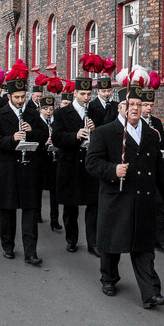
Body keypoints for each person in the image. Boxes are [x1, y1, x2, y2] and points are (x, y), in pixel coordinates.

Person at [86, 85, 164, 308]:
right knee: (112, 244)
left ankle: (151, 293)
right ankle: (109, 278)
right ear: (120, 107)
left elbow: (158, 167)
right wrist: (112, 170)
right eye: (129, 105)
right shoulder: (104, 132)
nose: (134, 108)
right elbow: (92, 163)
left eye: (138, 104)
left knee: (144, 247)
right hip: (117, 197)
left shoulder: (150, 135)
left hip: (143, 198)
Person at [0, 68, 47, 263]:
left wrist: (31, 133)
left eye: (23, 97)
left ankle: (31, 252)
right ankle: (8, 245)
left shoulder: (31, 113)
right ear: (10, 96)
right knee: (7, 210)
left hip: (28, 169)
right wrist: (12, 139)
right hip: (7, 169)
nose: (20, 101)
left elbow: (44, 134)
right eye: (17, 97)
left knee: (30, 210)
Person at [51, 76, 100, 255]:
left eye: (89, 94)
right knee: (70, 207)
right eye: (83, 94)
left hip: (89, 166)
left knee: (93, 205)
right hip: (70, 165)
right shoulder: (61, 113)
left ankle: (92, 242)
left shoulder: (94, 112)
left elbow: (103, 137)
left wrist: (95, 131)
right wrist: (75, 135)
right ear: (75, 93)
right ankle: (71, 239)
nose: (86, 97)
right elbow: (56, 138)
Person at [141, 88, 164, 253]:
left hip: (156, 170)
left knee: (160, 208)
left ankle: (161, 241)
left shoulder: (156, 122)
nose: (149, 108)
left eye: (151, 105)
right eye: (145, 105)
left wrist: (158, 137)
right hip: (140, 171)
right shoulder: (134, 122)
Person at [36, 94, 61, 231]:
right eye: (45, 109)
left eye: (51, 109)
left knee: (54, 190)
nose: (48, 112)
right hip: (40, 159)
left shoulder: (56, 122)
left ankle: (54, 219)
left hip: (53, 159)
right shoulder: (36, 122)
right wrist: (43, 143)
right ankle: (38, 213)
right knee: (38, 188)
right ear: (40, 109)